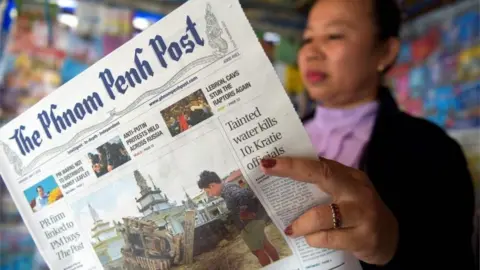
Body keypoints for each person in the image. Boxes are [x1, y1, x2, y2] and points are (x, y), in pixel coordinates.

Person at [259, 0, 475, 269]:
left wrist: (391, 246)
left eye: (334, 35)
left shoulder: (432, 149)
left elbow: (454, 257)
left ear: (384, 52)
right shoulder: (281, 136)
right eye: (308, 39)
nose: (311, 52)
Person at [197, 170, 280, 266]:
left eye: (208, 191)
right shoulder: (228, 188)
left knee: (258, 251)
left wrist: (244, 213)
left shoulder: (228, 189)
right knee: (265, 244)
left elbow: (242, 196)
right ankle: (280, 265)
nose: (210, 195)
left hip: (249, 225)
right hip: (252, 223)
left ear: (212, 185)